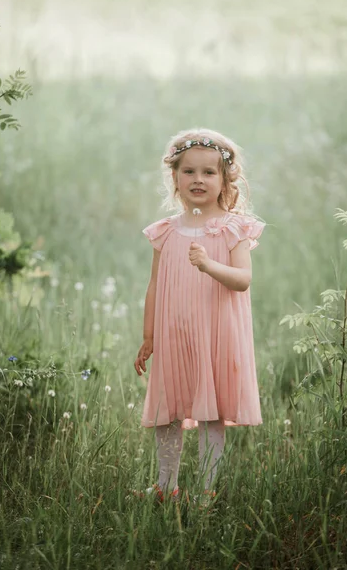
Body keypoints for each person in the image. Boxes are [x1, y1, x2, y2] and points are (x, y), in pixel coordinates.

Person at [133, 128, 265, 506]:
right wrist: (149, 335)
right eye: (189, 171)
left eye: (209, 172)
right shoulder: (167, 231)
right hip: (174, 334)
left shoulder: (233, 228)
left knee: (210, 413)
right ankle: (165, 486)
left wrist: (208, 265)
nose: (198, 180)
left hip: (216, 333)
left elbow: (243, 280)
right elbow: (155, 284)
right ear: (175, 177)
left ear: (225, 178)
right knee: (167, 411)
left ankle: (206, 491)